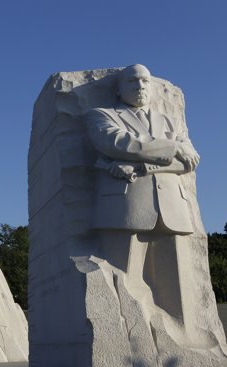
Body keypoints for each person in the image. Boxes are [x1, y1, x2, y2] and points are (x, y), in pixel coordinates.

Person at [85, 64, 201, 322]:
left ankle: (182, 337)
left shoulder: (172, 121)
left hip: (172, 208)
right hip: (126, 206)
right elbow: (118, 143)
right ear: (118, 89)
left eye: (145, 81)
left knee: (177, 290)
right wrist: (173, 147)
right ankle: (129, 338)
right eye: (132, 81)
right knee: (123, 281)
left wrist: (139, 165)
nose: (140, 87)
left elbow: (189, 161)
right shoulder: (101, 115)